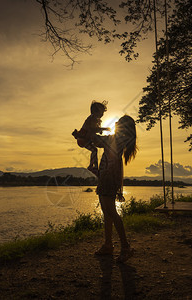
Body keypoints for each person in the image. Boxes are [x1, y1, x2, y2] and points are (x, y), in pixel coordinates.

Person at [92, 115, 137, 263]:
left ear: (123, 127)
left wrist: (91, 129)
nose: (116, 123)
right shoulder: (119, 139)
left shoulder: (116, 139)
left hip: (109, 178)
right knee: (107, 213)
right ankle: (108, 245)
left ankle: (125, 247)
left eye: (118, 123)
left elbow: (96, 141)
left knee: (111, 212)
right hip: (107, 176)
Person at [72, 101, 110, 175]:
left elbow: (95, 129)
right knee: (94, 150)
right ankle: (93, 167)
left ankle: (93, 167)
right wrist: (104, 129)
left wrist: (100, 130)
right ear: (96, 112)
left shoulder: (95, 119)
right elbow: (93, 130)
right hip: (83, 138)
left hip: (86, 138)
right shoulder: (93, 118)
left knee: (94, 150)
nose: (102, 114)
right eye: (101, 112)